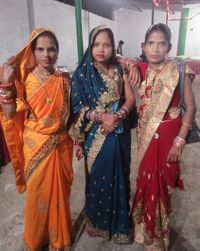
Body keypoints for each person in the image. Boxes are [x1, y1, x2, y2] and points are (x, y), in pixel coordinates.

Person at [0, 28, 73, 251]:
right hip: (36, 144)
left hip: (60, 144)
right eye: (40, 49)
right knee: (37, 197)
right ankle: (35, 240)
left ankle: (58, 239)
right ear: (33, 51)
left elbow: (71, 114)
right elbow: (10, 113)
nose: (46, 54)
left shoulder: (64, 80)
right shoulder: (25, 79)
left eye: (51, 49)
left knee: (59, 195)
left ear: (58, 52)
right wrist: (5, 81)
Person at [131, 23, 196, 251]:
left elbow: (191, 108)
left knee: (164, 185)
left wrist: (180, 141)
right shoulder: (139, 69)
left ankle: (159, 239)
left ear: (168, 47)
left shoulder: (179, 70)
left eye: (161, 44)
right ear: (144, 46)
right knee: (145, 181)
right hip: (145, 135)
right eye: (151, 43)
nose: (156, 48)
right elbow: (116, 63)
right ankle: (144, 232)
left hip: (169, 135)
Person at [69, 25, 135, 243]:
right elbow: (77, 107)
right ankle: (98, 223)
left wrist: (120, 114)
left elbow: (130, 99)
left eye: (106, 44)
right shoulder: (82, 73)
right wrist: (102, 118)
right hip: (96, 134)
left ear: (113, 47)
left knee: (120, 176)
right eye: (97, 44)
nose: (101, 49)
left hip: (119, 130)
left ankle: (119, 226)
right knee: (99, 178)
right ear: (90, 45)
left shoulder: (119, 69)